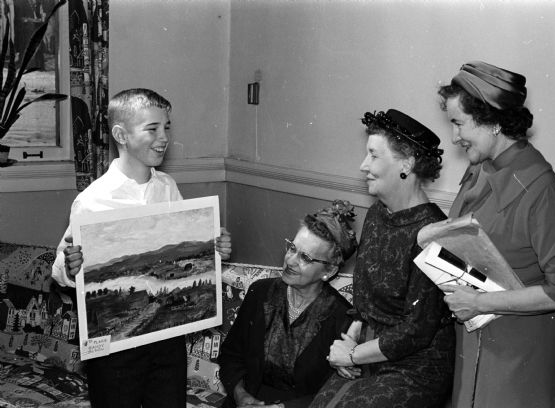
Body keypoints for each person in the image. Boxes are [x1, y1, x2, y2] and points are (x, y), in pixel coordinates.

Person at [51, 88, 232, 408]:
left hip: (166, 338)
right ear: (120, 134)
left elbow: (183, 249)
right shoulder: (94, 200)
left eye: (167, 127)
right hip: (113, 348)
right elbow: (62, 269)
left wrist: (214, 249)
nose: (163, 137)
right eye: (152, 129)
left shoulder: (167, 187)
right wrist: (71, 265)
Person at [437, 61, 555, 408]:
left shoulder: (542, 187)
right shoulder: (479, 168)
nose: (454, 137)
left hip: (520, 355)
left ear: (493, 120)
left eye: (459, 124)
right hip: (474, 343)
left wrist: (479, 303)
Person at [310, 110, 455, 408]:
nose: (363, 166)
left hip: (415, 368)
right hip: (369, 352)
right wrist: (351, 340)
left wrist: (351, 356)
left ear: (407, 163)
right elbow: (365, 302)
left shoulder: (432, 232)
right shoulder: (377, 213)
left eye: (374, 156)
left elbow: (416, 331)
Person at [218, 200, 358, 408]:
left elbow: (337, 390)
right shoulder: (261, 292)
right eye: (292, 247)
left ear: (329, 271)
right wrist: (241, 396)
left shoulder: (342, 319)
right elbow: (231, 356)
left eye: (305, 258)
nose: (291, 260)